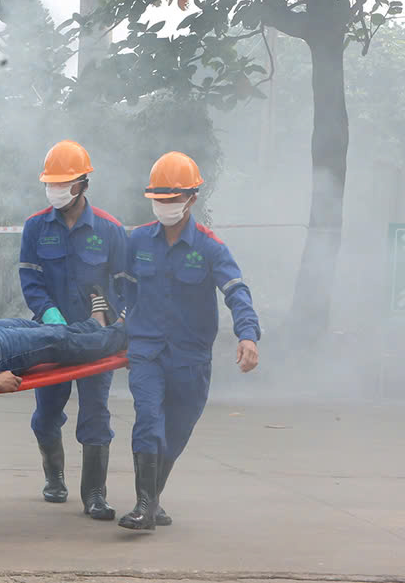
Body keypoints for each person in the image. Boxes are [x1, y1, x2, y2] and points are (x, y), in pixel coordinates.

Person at [119, 152, 261, 532]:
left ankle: (154, 499)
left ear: (192, 199)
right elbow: (125, 292)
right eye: (159, 200)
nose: (165, 207)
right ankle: (143, 506)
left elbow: (237, 291)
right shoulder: (137, 243)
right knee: (148, 420)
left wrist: (247, 334)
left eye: (173, 200)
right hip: (146, 351)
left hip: (190, 360)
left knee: (175, 434)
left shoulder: (210, 247)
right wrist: (120, 323)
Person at [18, 140, 128, 521]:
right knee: (47, 412)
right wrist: (48, 314)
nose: (55, 190)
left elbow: (125, 283)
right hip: (49, 337)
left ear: (82, 184)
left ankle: (95, 494)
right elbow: (30, 280)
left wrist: (121, 320)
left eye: (63, 183)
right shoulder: (35, 226)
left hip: (95, 339)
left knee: (96, 412)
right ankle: (55, 476)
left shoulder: (111, 230)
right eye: (50, 183)